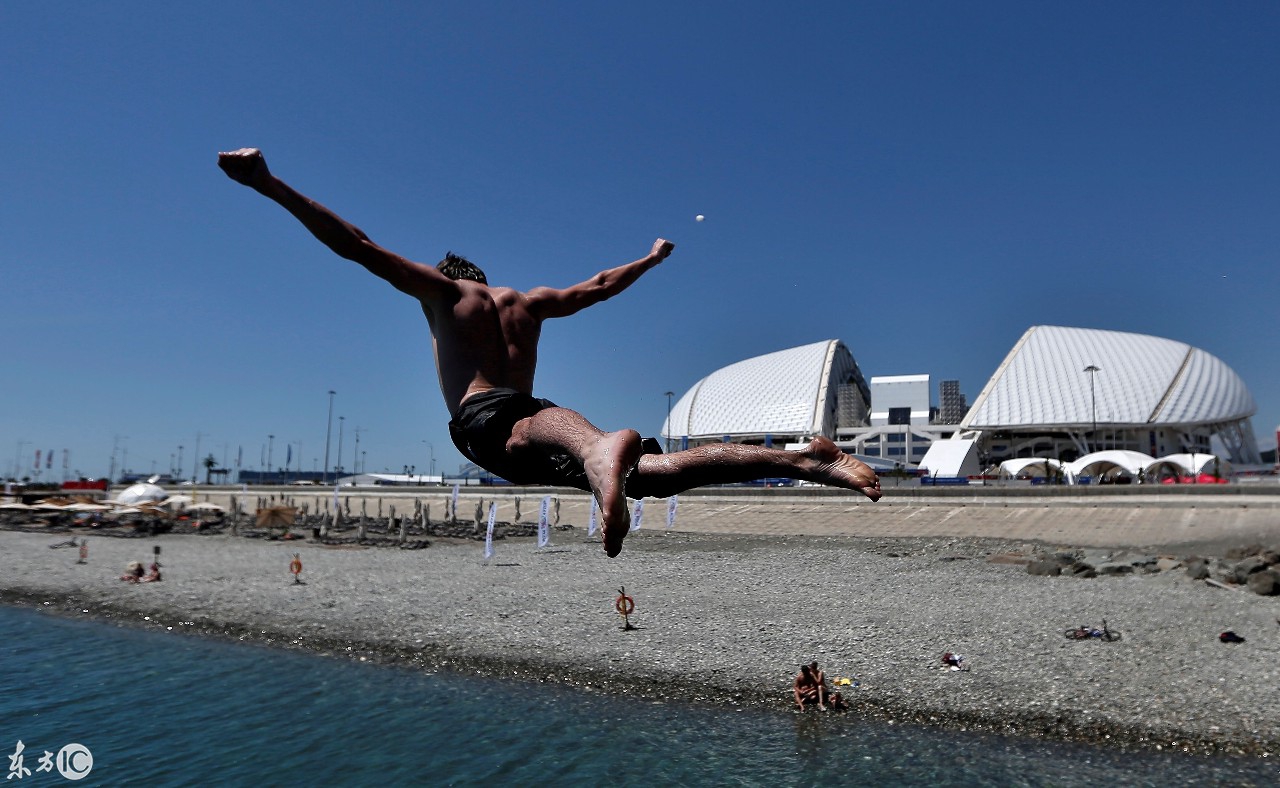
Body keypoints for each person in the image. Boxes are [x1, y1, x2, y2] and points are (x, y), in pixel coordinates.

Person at [218, 148, 883, 557]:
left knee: (540, 434)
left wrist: (268, 184)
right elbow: (596, 288)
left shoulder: (445, 294)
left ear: (450, 276)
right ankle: (804, 458)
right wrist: (648, 261)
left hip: (490, 418)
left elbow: (357, 247)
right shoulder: (528, 303)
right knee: (658, 473)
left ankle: (602, 451)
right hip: (537, 412)